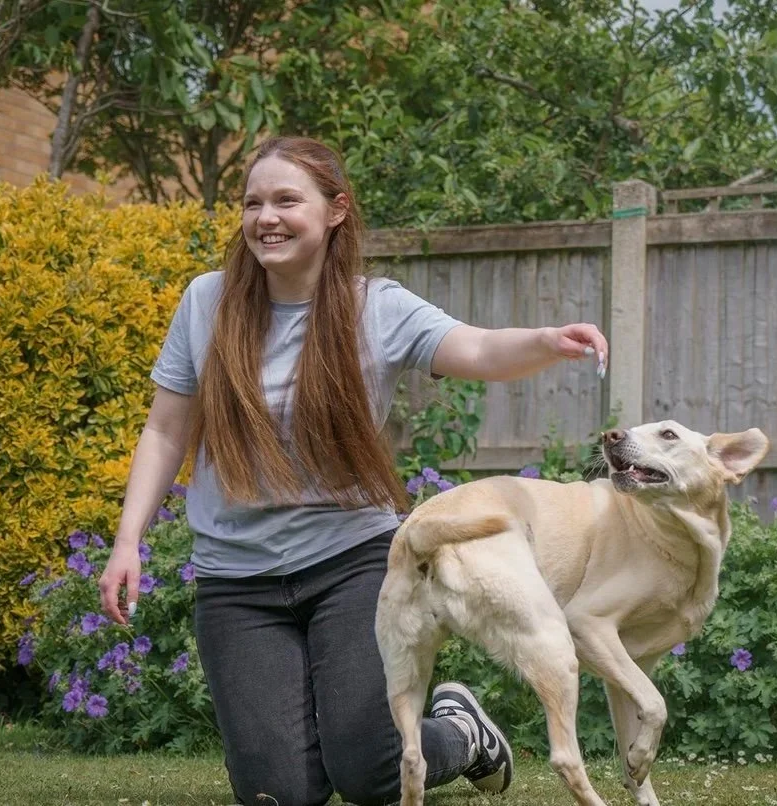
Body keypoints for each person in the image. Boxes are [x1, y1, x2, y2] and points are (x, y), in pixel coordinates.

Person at [98, 135, 609, 806]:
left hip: (354, 563)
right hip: (236, 579)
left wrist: (543, 342)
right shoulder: (207, 302)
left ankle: (462, 733)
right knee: (279, 795)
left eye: (287, 200)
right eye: (253, 203)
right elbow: (167, 428)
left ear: (336, 210)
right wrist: (128, 539)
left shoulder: (378, 308)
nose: (266, 218)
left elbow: (478, 348)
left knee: (370, 774)